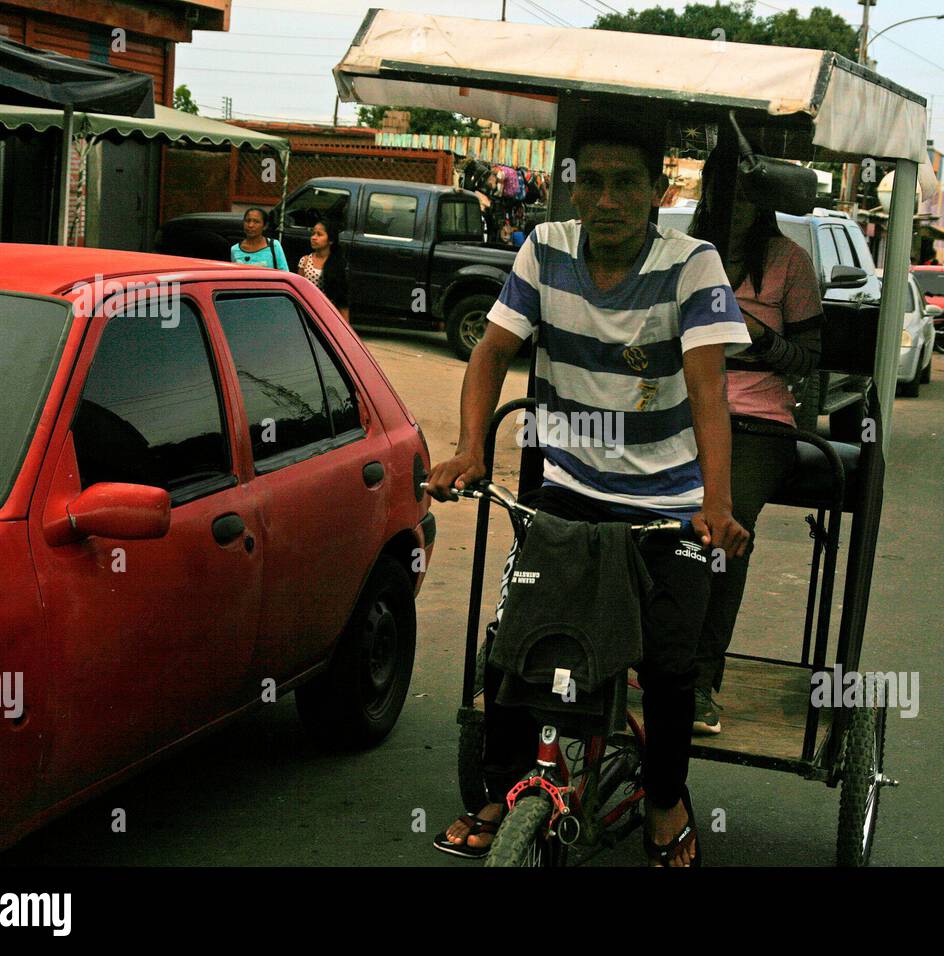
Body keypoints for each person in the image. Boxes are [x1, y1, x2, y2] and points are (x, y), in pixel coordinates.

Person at [427, 118, 751, 867]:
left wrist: (717, 503)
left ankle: (666, 804)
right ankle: (503, 791)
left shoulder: (692, 264)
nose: (608, 199)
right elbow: (491, 351)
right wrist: (470, 448)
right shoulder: (543, 250)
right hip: (569, 492)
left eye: (627, 183)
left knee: (670, 667)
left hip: (670, 503)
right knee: (515, 647)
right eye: (592, 182)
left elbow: (709, 392)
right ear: (572, 187)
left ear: (658, 191)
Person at [688, 145, 822, 735]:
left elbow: (809, 361)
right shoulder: (684, 257)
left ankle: (698, 683)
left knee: (726, 523)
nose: (737, 206)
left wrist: (762, 341)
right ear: (710, 195)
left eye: (748, 194)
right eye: (726, 192)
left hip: (760, 422)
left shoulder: (790, 263)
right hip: (682, 412)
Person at [296, 220, 349, 322]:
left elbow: (342, 299)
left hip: (328, 315)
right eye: (313, 234)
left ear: (331, 240)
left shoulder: (338, 264)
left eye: (319, 234)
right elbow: (298, 291)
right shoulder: (305, 261)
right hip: (308, 312)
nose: (314, 237)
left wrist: (346, 326)